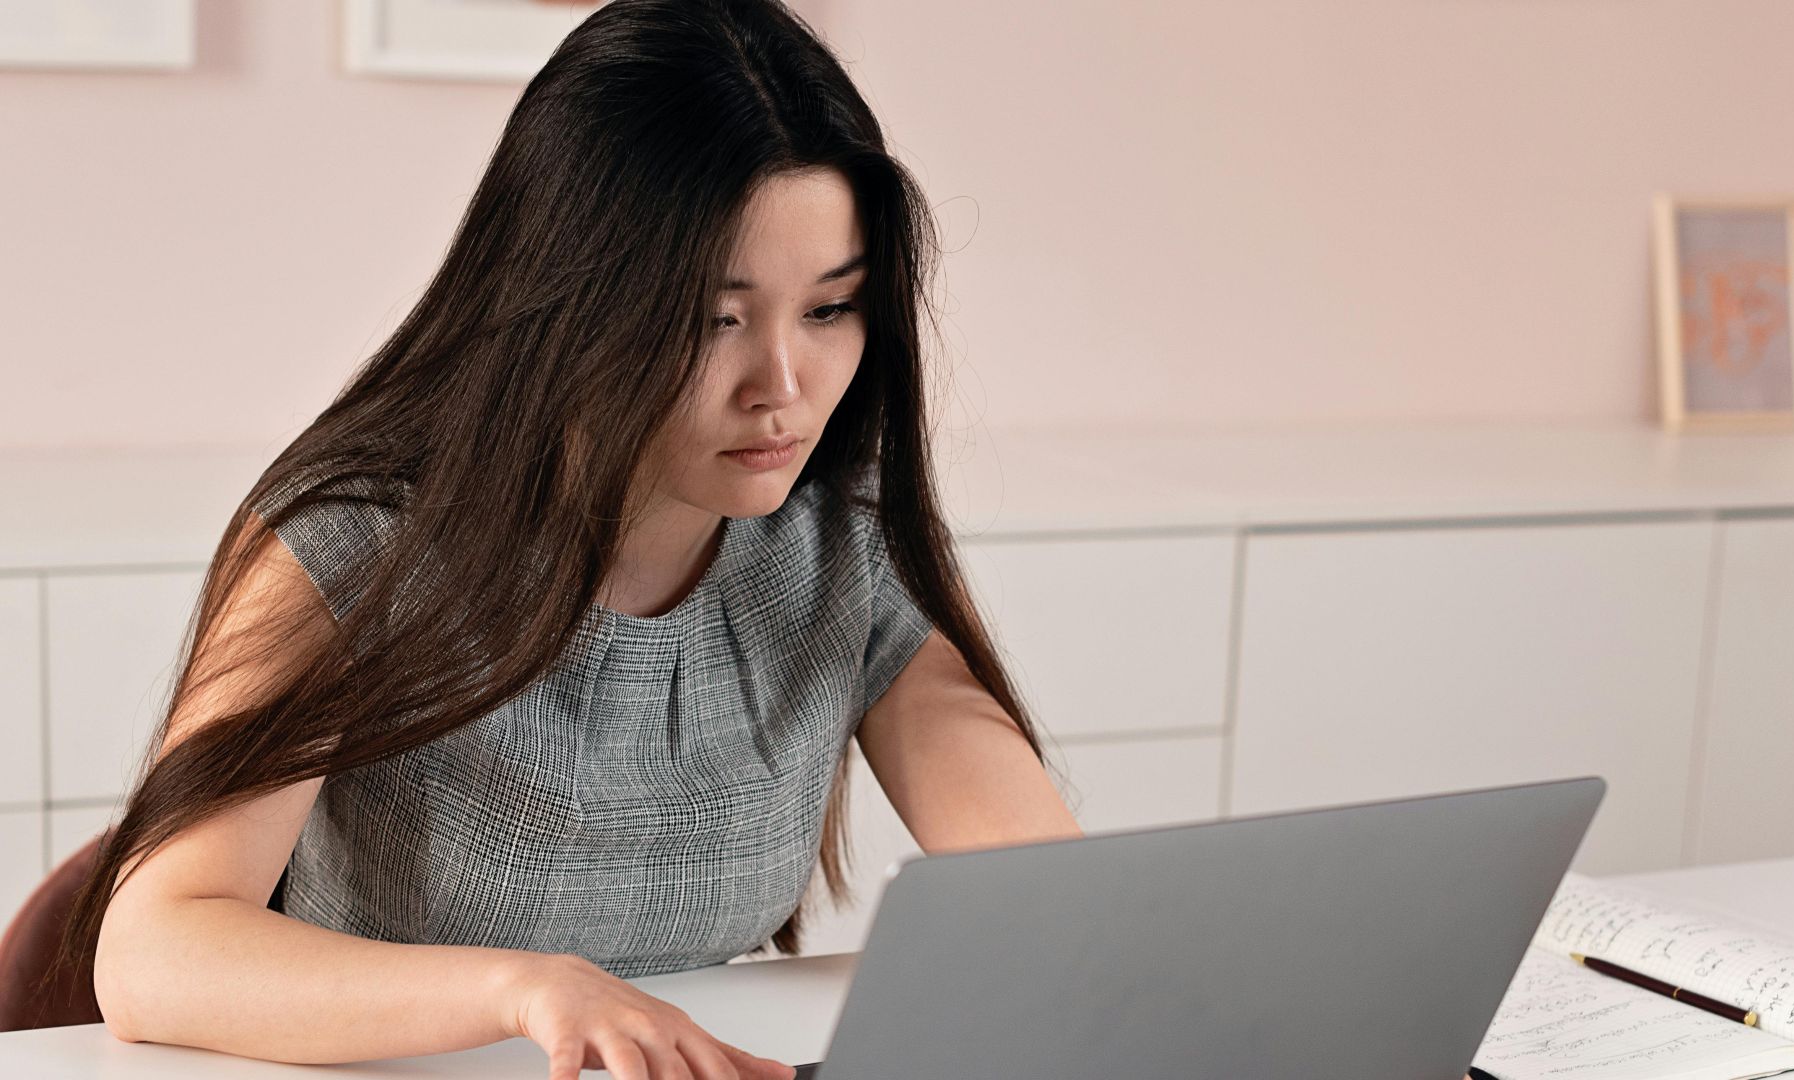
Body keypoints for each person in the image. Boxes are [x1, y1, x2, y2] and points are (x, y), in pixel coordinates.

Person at [53, 1, 1083, 1077]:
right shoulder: (355, 545)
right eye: (714, 318)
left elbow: (1055, 906)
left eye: (830, 310)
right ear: (572, 297)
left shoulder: (837, 548)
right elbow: (156, 950)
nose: (783, 386)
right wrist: (524, 988)